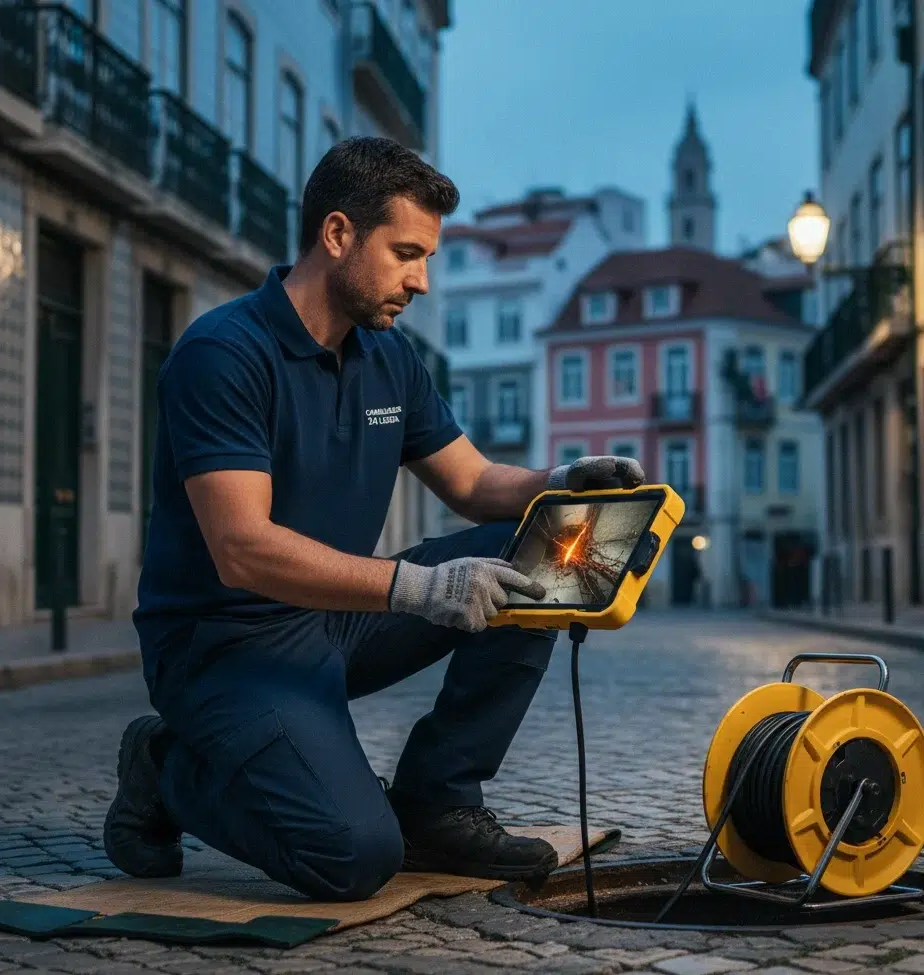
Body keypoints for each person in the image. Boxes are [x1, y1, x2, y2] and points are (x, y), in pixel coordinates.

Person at [103, 137, 645, 903]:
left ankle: (439, 800)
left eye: (427, 257)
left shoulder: (388, 356)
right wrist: (419, 588)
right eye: (406, 253)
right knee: (353, 856)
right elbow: (242, 550)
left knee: (538, 548)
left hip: (332, 622)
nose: (421, 280)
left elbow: (472, 481)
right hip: (224, 648)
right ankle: (165, 765)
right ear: (336, 235)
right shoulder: (223, 354)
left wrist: (559, 482)